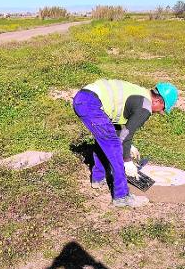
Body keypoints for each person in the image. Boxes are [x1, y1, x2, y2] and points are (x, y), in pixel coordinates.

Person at [73, 79, 178, 207]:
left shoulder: (141, 94)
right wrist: (127, 161)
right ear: (158, 101)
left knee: (106, 139)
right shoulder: (145, 107)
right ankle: (121, 197)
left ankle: (98, 178)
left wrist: (128, 145)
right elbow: (125, 136)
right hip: (91, 103)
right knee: (114, 147)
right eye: (163, 109)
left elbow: (122, 133)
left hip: (84, 98)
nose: (160, 113)